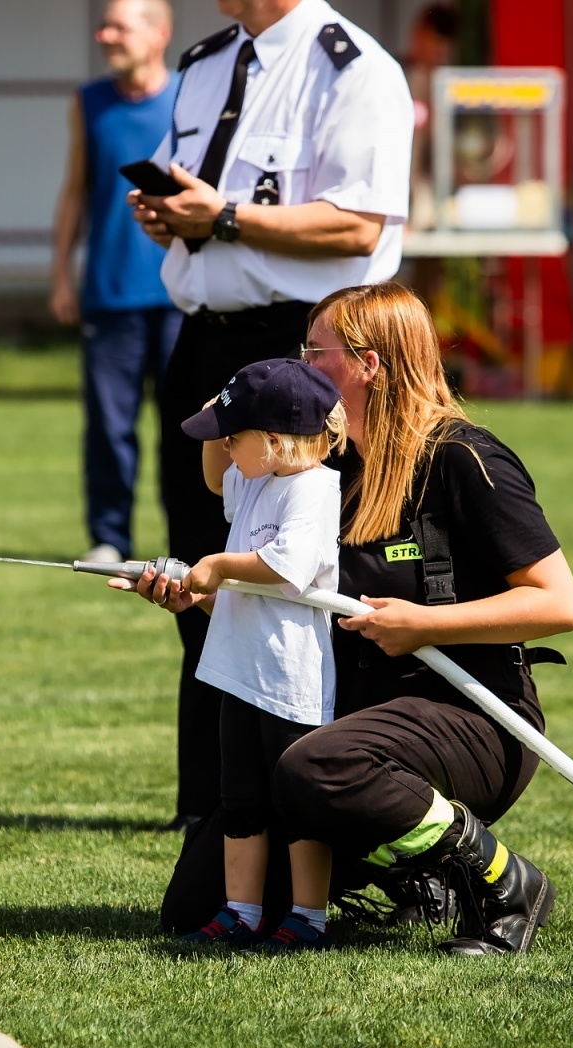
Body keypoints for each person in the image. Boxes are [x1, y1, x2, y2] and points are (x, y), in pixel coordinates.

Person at [140, 282, 573, 954]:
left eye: (313, 352)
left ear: (368, 364)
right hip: (351, 711)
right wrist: (196, 592)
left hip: (471, 713)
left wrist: (426, 625)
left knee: (313, 767)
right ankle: (413, 872)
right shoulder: (325, 469)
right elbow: (289, 586)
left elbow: (557, 603)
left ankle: (502, 883)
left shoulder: (464, 458)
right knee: (197, 903)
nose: (300, 365)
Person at [130, 0, 414, 830]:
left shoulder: (352, 67)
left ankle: (314, 796)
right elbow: (198, 206)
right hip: (203, 347)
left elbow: (360, 223)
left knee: (304, 579)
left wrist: (220, 217)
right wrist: (170, 217)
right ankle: (216, 803)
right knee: (198, 574)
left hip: (302, 357)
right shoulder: (206, 60)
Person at [166, 358, 345, 951]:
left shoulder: (315, 489)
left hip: (288, 679)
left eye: (233, 435)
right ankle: (240, 912)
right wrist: (217, 421)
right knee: (240, 797)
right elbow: (217, 477)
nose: (223, 445)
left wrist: (215, 566)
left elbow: (285, 568)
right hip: (237, 672)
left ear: (272, 442)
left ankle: (307, 917)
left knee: (297, 803)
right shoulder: (254, 477)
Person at [50, 0, 183, 567]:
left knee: (187, 427)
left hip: (182, 291)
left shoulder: (191, 99)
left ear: (159, 34)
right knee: (108, 427)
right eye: (104, 26)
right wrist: (61, 273)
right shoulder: (89, 102)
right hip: (108, 291)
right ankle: (110, 538)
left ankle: (191, 539)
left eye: (119, 27)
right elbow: (75, 188)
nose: (105, 35)